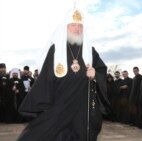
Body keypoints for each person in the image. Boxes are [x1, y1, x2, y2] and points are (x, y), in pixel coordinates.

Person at [17, 7, 109, 141]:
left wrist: (95, 74)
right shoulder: (56, 50)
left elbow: (102, 71)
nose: (77, 29)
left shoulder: (90, 51)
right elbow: (45, 79)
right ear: (65, 27)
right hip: (60, 104)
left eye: (80, 26)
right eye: (73, 25)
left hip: (82, 107)